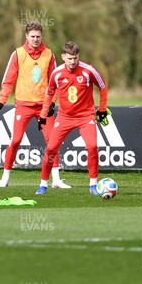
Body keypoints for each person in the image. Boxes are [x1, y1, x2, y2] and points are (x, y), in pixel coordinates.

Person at [0, 21, 70, 188]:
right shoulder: (18, 54)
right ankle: (5, 178)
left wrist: (52, 102)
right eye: (32, 36)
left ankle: (56, 180)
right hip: (23, 105)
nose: (35, 39)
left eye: (38, 36)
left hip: (44, 106)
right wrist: (2, 100)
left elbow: (55, 81)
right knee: (15, 141)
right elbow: (8, 79)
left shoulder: (49, 54)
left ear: (42, 36)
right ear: (26, 36)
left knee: (53, 142)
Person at [35, 41, 108, 195]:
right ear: (63, 57)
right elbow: (49, 93)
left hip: (85, 116)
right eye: (69, 58)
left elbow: (102, 86)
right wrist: (43, 114)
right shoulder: (57, 73)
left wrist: (101, 110)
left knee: (92, 147)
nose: (73, 61)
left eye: (75, 58)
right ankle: (43, 184)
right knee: (51, 149)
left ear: (78, 56)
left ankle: (93, 185)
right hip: (64, 117)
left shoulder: (88, 71)